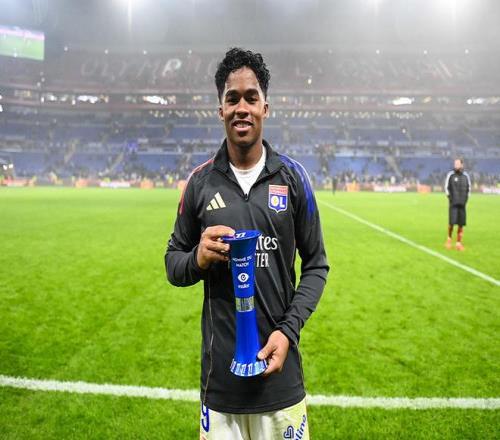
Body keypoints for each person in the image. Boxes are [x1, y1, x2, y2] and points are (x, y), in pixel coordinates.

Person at [165, 48, 329, 440]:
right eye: (232, 98)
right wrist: (198, 258)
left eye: (251, 98)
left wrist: (288, 331)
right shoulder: (199, 183)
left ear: (265, 108)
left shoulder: (293, 178)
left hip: (281, 381)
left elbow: (317, 266)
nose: (242, 107)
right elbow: (173, 263)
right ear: (220, 109)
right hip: (221, 386)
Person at [444, 158, 471, 251]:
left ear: (461, 165)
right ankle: (449, 239)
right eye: (455, 163)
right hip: (453, 203)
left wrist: (465, 200)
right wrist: (450, 199)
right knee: (451, 223)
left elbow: (469, 189)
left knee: (461, 224)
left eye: (458, 163)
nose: (456, 165)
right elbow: (446, 188)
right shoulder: (450, 175)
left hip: (462, 204)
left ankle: (458, 243)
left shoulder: (466, 176)